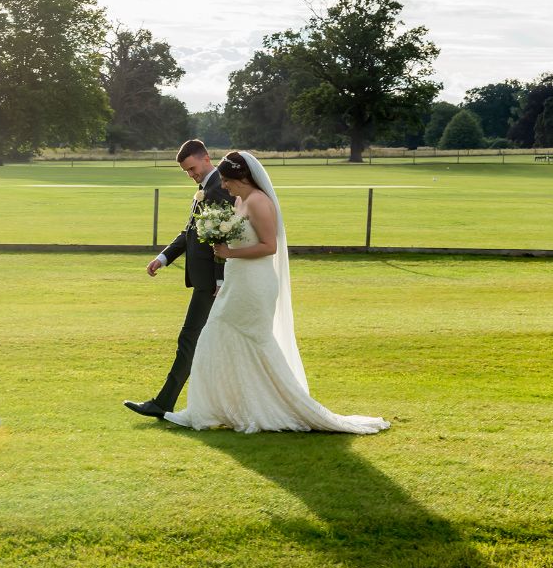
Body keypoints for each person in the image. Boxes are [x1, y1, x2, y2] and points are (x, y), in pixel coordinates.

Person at [164, 150, 390, 434]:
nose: (223, 186)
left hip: (255, 283)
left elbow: (269, 246)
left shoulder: (259, 202)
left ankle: (270, 406)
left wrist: (229, 252)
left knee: (250, 341)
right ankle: (211, 409)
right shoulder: (238, 201)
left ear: (241, 177)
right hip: (237, 281)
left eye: (226, 180)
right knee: (216, 337)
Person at [124, 139, 234, 420]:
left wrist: (220, 281)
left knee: (190, 339)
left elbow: (224, 237)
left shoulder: (219, 189)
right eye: (187, 171)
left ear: (206, 158)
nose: (191, 175)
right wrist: (162, 258)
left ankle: (164, 402)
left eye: (193, 168)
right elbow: (189, 233)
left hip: (212, 284)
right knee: (206, 341)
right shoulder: (204, 189)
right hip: (206, 282)